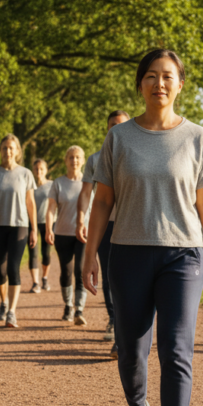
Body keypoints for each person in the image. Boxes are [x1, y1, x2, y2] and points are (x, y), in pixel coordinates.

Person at [84, 49, 203, 406]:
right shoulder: (119, 138)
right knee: (131, 350)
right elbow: (102, 200)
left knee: (177, 350)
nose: (159, 83)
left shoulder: (197, 137)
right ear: (140, 83)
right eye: (150, 76)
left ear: (180, 84)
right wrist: (89, 253)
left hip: (183, 254)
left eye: (167, 76)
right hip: (128, 252)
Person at [77, 109, 131, 358]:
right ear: (107, 129)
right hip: (107, 224)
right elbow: (86, 192)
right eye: (112, 125)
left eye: (121, 125)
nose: (116, 129)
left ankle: (128, 331)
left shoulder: (137, 153)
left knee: (132, 279)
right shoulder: (95, 159)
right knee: (110, 277)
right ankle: (116, 326)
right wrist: (81, 218)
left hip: (133, 224)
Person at [0, 134, 37, 328]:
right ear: (0, 150)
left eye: (11, 148)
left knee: (13, 269)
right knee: (0, 271)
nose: (8, 151)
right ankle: (4, 301)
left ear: (17, 151)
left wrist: (34, 229)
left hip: (19, 226)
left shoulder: (25, 174)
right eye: (5, 147)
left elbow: (30, 203)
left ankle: (12, 312)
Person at [46, 146, 88, 324]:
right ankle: (68, 305)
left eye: (77, 157)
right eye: (71, 157)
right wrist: (49, 228)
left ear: (83, 161)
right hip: (62, 233)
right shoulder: (58, 183)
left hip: (84, 234)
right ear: (66, 160)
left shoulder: (89, 182)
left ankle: (79, 309)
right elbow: (51, 208)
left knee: (80, 270)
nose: (74, 161)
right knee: (66, 272)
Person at [28, 159, 53, 293]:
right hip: (31, 223)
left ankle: (45, 278)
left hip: (47, 223)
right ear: (33, 170)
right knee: (33, 252)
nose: (39, 172)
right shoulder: (29, 185)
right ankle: (35, 282)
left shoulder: (51, 185)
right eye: (36, 169)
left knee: (46, 253)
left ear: (46, 170)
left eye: (41, 169)